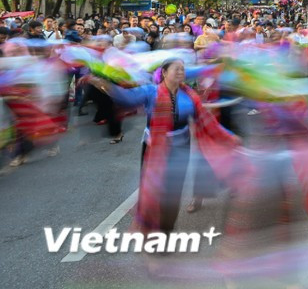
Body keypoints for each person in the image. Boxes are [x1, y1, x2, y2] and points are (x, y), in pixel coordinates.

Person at [88, 58, 241, 233]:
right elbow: (127, 98)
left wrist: (229, 137)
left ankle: (165, 231)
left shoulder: (190, 96)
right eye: (176, 68)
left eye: (183, 69)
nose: (180, 72)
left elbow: (208, 122)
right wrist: (104, 84)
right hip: (154, 149)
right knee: (154, 192)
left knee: (173, 195)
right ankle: (152, 228)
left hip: (180, 149)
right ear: (164, 72)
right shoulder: (150, 91)